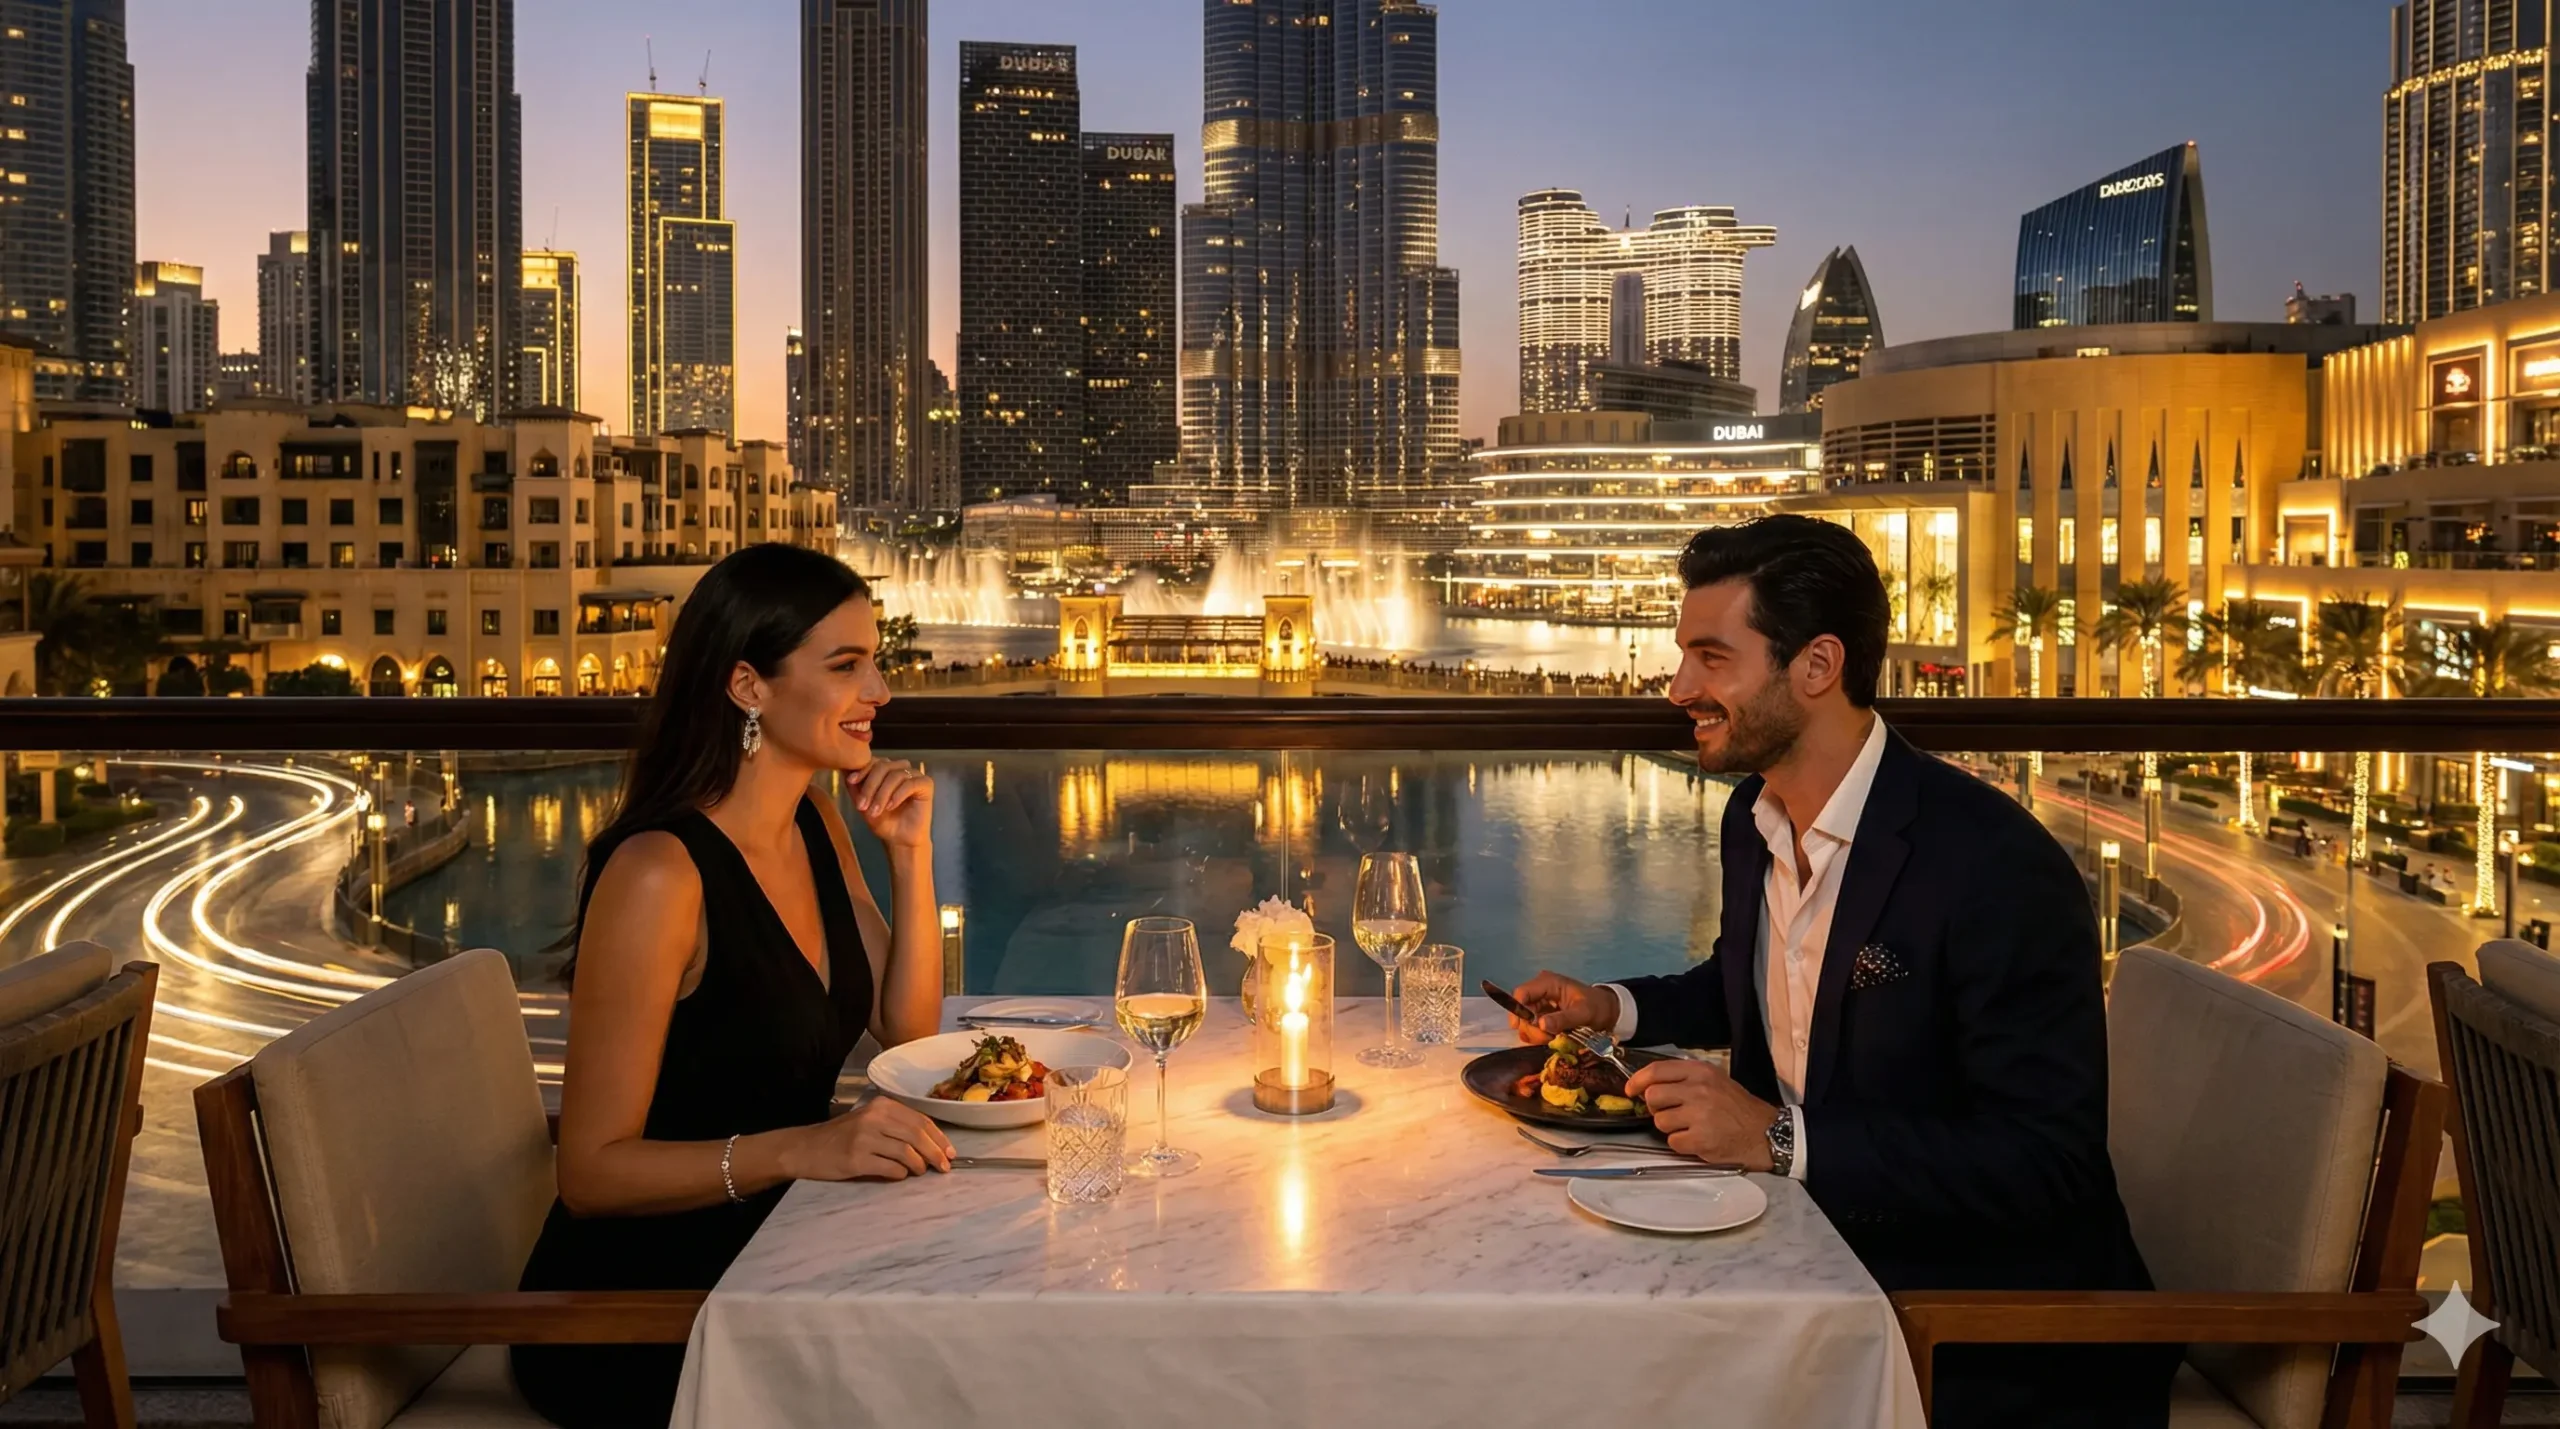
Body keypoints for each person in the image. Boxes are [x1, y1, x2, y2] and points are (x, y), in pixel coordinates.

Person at [1509, 517, 2171, 1428]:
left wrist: (1779, 1139)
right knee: (1563, 1319)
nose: (1679, 688)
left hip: (1977, 1329)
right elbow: (1752, 981)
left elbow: (2044, 1162)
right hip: (1803, 1255)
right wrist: (1609, 1007)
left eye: (1711, 657)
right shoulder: (1754, 816)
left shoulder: (1992, 865)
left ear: (1818, 665)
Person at [512, 544, 956, 1428]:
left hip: (778, 1254)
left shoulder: (816, 820)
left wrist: (910, 857)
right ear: (748, 685)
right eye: (846, 665)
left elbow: (906, 1030)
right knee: (945, 1372)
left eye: (875, 661)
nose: (879, 690)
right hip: (642, 1312)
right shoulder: (659, 875)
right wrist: (804, 1148)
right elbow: (588, 1172)